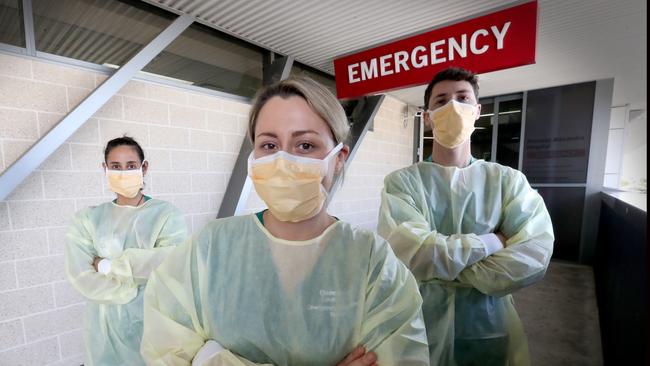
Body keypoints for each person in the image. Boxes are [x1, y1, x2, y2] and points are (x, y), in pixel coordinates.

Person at [140, 76, 430, 366]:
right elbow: (166, 350)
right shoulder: (211, 247)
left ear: (339, 157)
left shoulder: (371, 260)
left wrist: (213, 358)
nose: (283, 160)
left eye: (305, 145)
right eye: (269, 145)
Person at [377, 67, 554, 366]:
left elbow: (531, 257)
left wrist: (438, 264)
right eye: (441, 101)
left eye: (462, 98)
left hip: (488, 326)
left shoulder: (507, 182)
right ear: (428, 115)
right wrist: (492, 242)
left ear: (477, 111)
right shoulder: (402, 183)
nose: (453, 107)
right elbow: (410, 252)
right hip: (421, 321)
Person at [65, 136, 189, 365]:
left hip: (154, 325)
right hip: (103, 332)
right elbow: (82, 276)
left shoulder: (166, 215)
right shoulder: (88, 220)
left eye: (131, 166)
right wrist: (137, 282)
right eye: (115, 166)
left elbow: (173, 264)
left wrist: (107, 266)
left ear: (144, 167)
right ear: (105, 169)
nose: (123, 172)